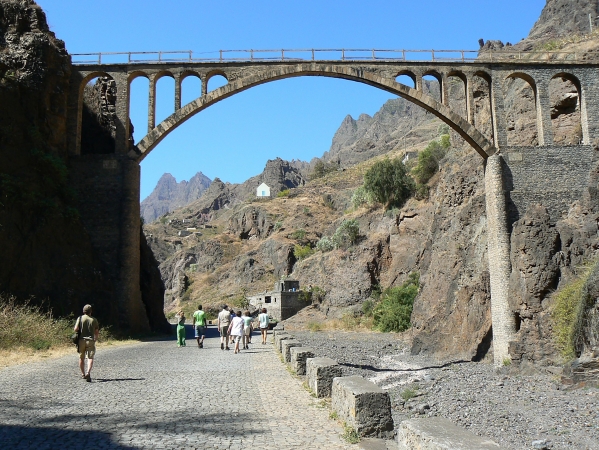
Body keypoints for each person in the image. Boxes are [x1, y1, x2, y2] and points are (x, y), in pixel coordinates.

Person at [73, 304, 99, 382]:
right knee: (90, 357)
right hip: (90, 340)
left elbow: (75, 329)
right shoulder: (94, 320)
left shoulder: (80, 318)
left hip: (81, 340)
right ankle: (88, 372)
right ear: (91, 311)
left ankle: (83, 374)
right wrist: (95, 339)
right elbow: (96, 331)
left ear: (83, 311)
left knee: (81, 357)